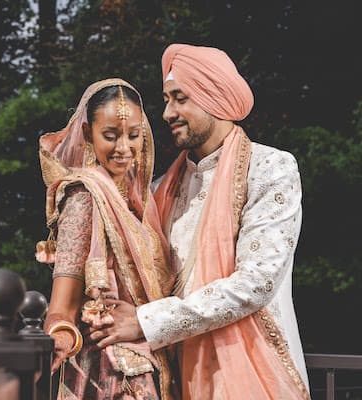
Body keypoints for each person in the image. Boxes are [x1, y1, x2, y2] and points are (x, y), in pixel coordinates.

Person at [89, 44, 311, 399]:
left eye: (180, 98)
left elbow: (256, 283)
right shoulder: (161, 189)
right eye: (166, 99)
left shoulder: (270, 169)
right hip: (176, 375)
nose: (166, 113)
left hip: (253, 374)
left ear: (215, 98)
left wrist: (146, 321)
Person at [36, 78, 176, 399]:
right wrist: (59, 335)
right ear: (88, 135)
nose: (124, 148)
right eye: (110, 136)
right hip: (104, 371)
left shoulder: (140, 202)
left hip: (146, 363)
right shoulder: (84, 195)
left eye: (134, 135)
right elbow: (63, 305)